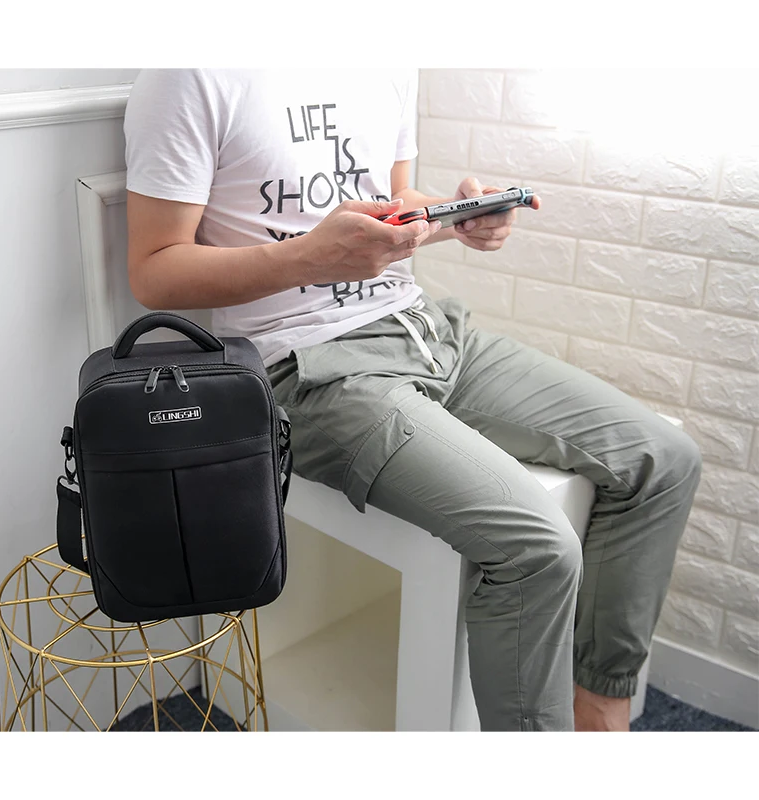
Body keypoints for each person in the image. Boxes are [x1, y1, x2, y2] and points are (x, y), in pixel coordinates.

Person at [123, 68, 702, 732]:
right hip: (305, 370)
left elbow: (391, 205)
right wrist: (311, 258)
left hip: (425, 330)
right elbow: (154, 271)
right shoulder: (192, 73)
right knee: (538, 549)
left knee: (664, 460)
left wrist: (453, 218)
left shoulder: (389, 58)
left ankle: (599, 711)